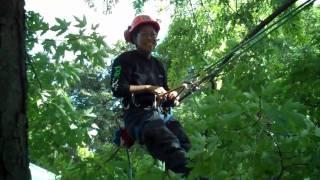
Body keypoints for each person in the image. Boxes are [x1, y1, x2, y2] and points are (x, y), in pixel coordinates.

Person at [110, 15, 191, 176]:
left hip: (163, 115)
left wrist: (172, 97)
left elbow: (164, 92)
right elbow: (117, 88)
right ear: (134, 37)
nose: (150, 37)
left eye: (153, 34)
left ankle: (194, 172)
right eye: (145, 34)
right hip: (138, 116)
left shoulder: (158, 65)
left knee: (186, 145)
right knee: (168, 144)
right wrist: (148, 87)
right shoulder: (124, 60)